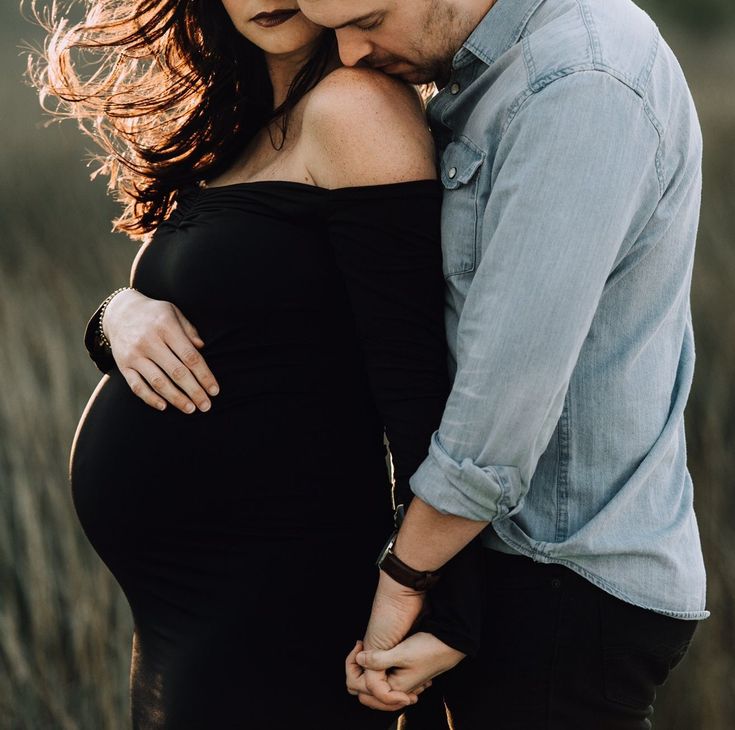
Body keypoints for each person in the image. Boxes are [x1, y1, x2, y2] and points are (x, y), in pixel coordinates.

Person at [29, 0, 486, 727]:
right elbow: (214, 315)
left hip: (281, 604)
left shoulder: (357, 109)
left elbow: (419, 397)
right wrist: (114, 318)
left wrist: (440, 614)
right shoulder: (242, 124)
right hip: (186, 614)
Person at [292, 0, 709, 727]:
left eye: (368, 19)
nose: (351, 53)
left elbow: (499, 414)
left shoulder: (580, 81)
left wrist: (403, 580)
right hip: (513, 575)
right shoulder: (496, 73)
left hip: (559, 585)